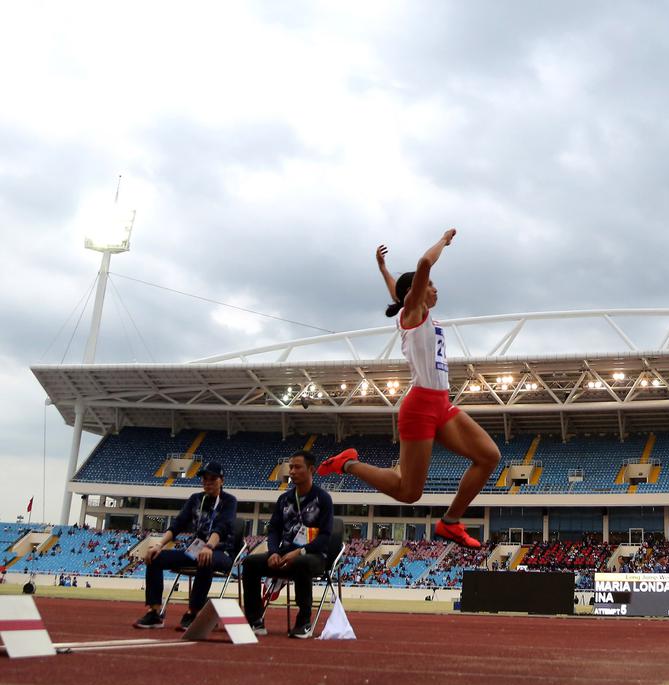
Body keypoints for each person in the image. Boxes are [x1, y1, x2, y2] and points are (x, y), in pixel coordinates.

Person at [318, 231, 500, 549]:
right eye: (428, 284)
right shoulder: (412, 312)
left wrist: (383, 269)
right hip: (419, 408)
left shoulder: (416, 312)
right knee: (409, 492)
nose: (434, 286)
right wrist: (444, 240)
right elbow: (424, 263)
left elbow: (398, 289)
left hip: (442, 404)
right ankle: (348, 463)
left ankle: (451, 522)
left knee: (488, 456)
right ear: (414, 292)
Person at [133, 462, 238, 631]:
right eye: (205, 479)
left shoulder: (229, 501)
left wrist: (209, 547)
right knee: (155, 557)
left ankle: (193, 612)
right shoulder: (195, 499)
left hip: (221, 551)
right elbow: (178, 524)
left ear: (222, 480)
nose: (208, 482)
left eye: (213, 479)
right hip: (195, 550)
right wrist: (159, 544)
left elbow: (222, 526)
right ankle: (154, 612)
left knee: (206, 559)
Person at [242, 451, 334, 638]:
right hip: (283, 554)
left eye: (297, 467)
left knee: (300, 563)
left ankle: (304, 621)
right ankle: (255, 620)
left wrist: (300, 552)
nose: (292, 471)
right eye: (290, 467)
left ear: (311, 470)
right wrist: (274, 552)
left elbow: (325, 536)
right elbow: (274, 530)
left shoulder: (323, 499)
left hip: (313, 556)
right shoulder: (284, 499)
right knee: (250, 563)